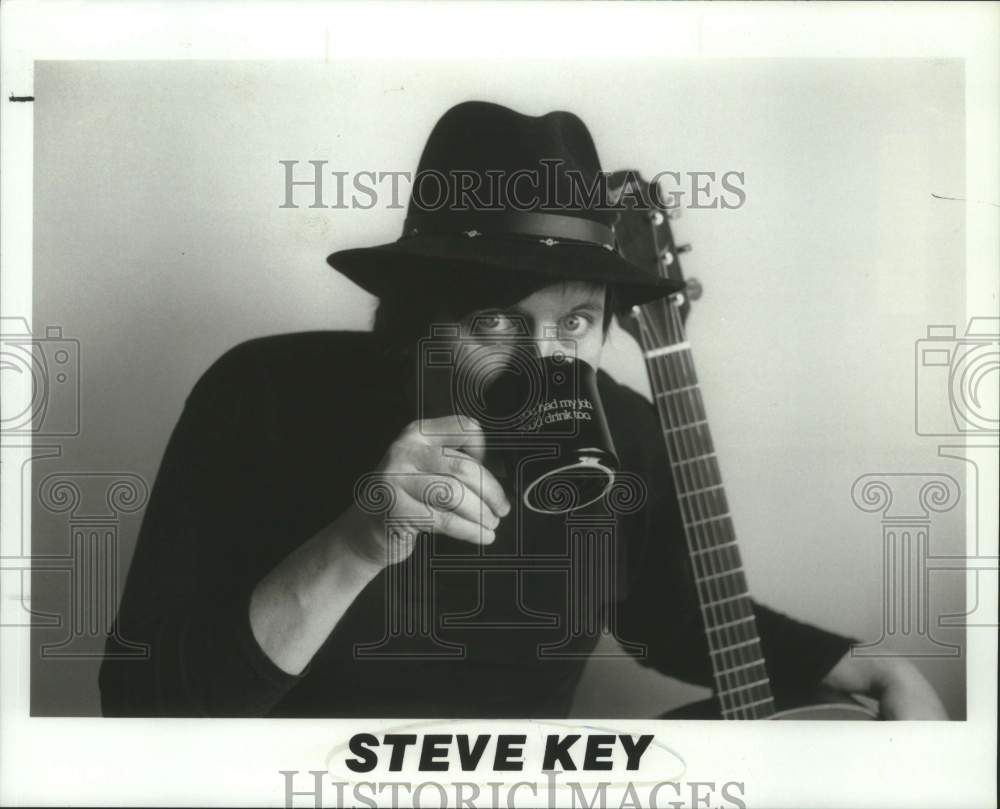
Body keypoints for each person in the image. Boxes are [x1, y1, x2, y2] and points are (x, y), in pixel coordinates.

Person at [99, 101, 946, 719]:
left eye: (575, 321)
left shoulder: (625, 429)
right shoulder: (264, 397)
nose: (544, 364)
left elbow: (672, 619)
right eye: (497, 318)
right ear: (417, 324)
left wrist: (867, 666)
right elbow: (142, 709)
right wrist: (358, 540)